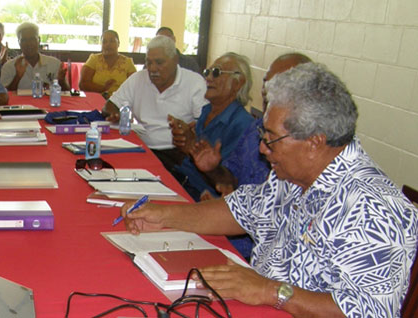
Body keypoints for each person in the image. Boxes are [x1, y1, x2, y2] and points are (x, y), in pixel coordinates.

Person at [122, 62, 418, 318]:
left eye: (271, 138)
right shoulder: (293, 174)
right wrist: (164, 216)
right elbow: (239, 210)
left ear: (314, 142)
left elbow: (367, 311)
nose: (263, 149)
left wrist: (271, 291)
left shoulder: (374, 208)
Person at [192, 53, 312, 200]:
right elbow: (232, 178)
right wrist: (213, 170)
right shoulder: (255, 128)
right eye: (266, 83)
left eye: (278, 84)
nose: (266, 92)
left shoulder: (305, 145)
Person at [102, 35, 207, 162]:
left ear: (175, 60)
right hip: (141, 148)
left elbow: (205, 125)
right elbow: (110, 105)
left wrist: (188, 131)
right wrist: (115, 114)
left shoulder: (195, 82)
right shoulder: (138, 79)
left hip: (177, 153)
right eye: (149, 62)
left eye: (159, 62)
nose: (152, 68)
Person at [169, 52, 255, 201]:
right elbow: (190, 157)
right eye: (207, 72)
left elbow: (227, 183)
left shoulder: (243, 125)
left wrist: (191, 146)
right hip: (179, 179)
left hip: (201, 196)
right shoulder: (207, 110)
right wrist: (183, 139)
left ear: (238, 83)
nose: (208, 78)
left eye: (216, 73)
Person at [0, 22, 70, 91]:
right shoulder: (9, 67)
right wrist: (17, 77)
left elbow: (67, 93)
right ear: (19, 42)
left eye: (32, 39)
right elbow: (4, 94)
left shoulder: (54, 64)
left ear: (39, 40)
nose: (28, 43)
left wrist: (61, 81)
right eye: (24, 40)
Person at [79, 30, 136, 99]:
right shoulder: (94, 59)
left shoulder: (128, 62)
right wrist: (103, 88)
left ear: (118, 44)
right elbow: (83, 84)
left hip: (120, 102)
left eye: (112, 41)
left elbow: (134, 87)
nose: (108, 44)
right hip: (95, 100)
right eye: (104, 42)